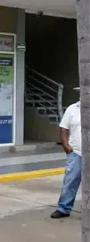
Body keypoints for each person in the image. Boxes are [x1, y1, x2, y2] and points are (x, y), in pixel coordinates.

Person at [51, 89, 82, 219]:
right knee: (70, 181)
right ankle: (64, 208)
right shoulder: (72, 109)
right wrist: (65, 145)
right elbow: (64, 128)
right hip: (76, 152)